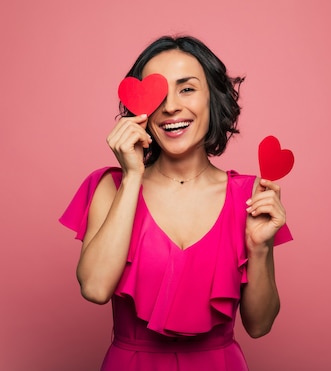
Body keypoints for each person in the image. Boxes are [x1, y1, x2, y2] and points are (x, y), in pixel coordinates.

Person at [60, 35, 292, 371]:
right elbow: (95, 288)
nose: (170, 107)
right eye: (157, 93)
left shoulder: (251, 196)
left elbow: (259, 325)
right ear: (139, 109)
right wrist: (132, 176)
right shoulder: (110, 186)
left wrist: (260, 248)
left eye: (187, 88)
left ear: (213, 98)